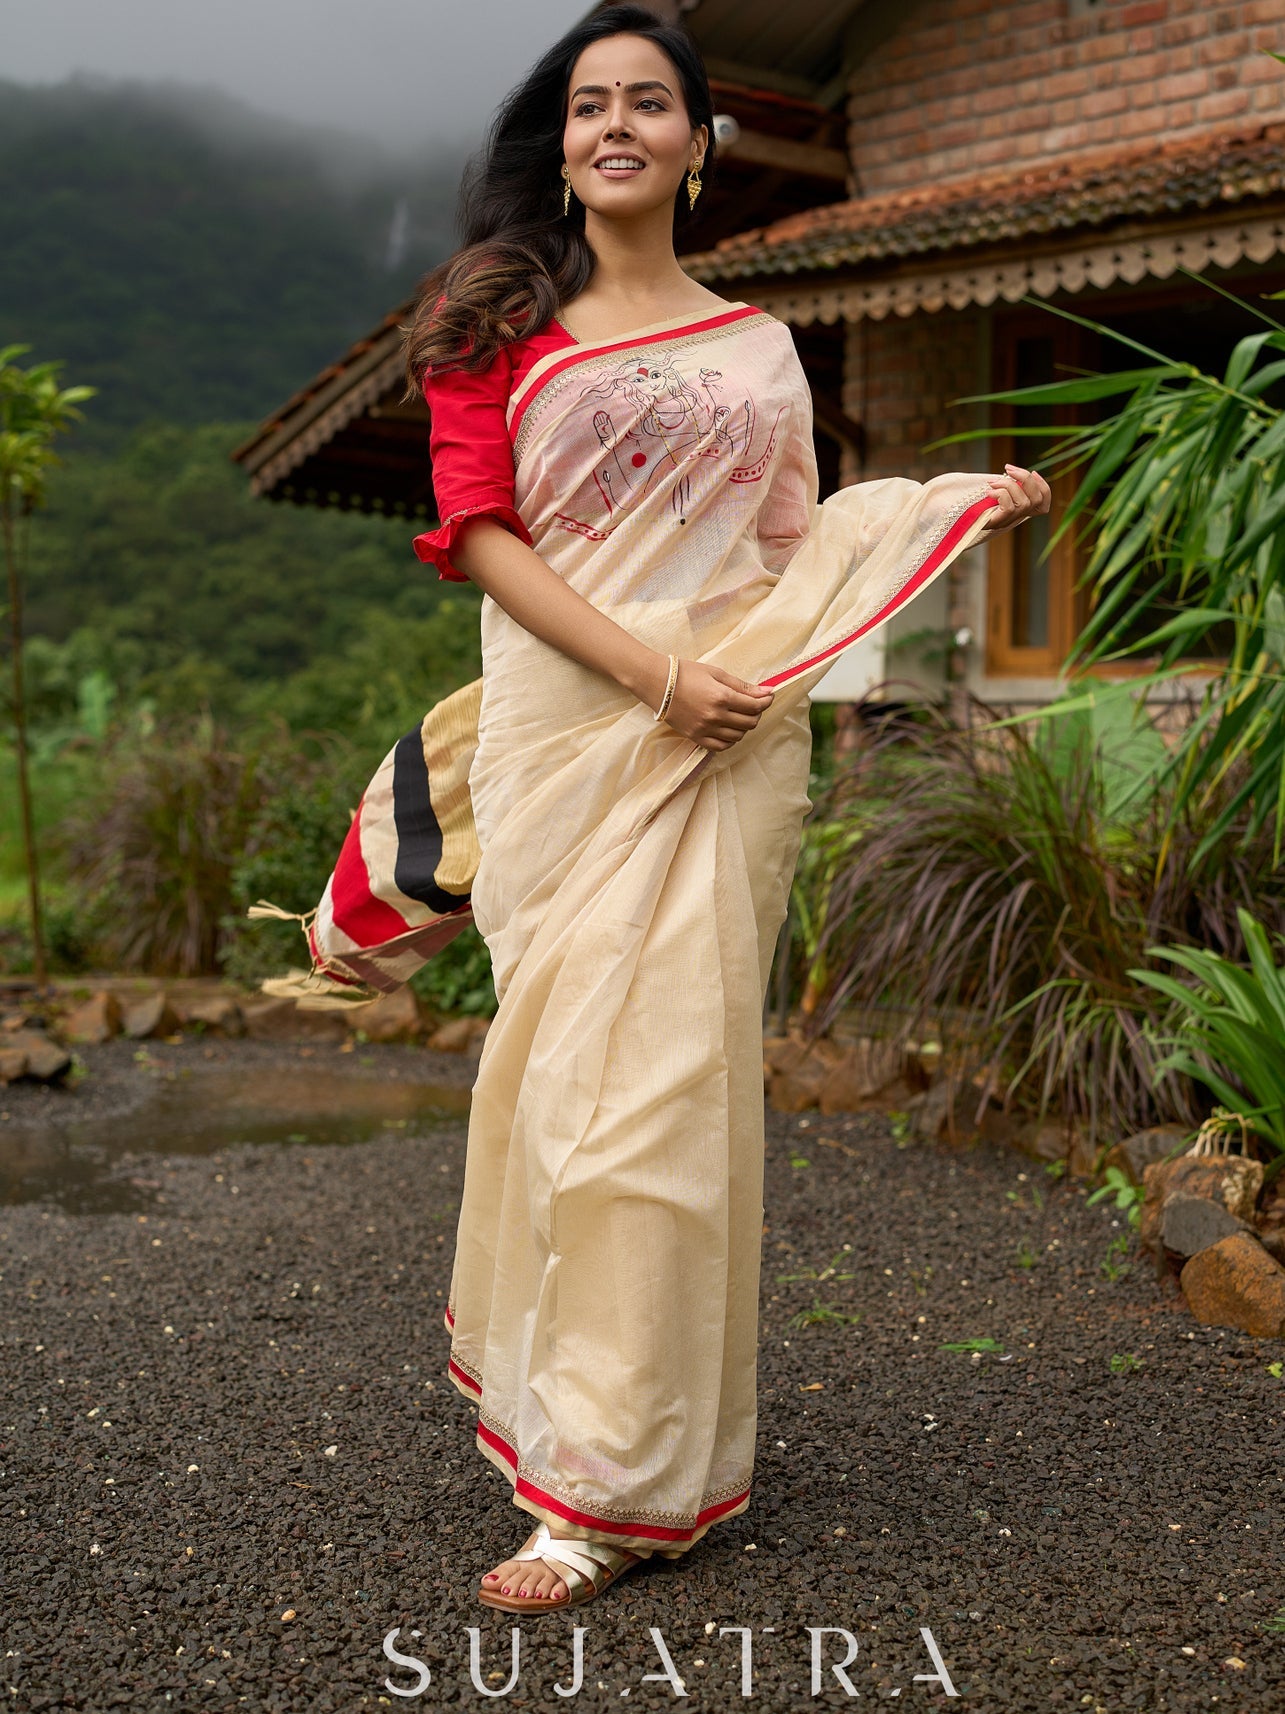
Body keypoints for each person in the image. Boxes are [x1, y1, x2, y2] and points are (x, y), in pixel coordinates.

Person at [402, 3, 1049, 1615]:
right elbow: (481, 535)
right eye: (584, 105)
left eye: (646, 103)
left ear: (702, 142)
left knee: (673, 1106)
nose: (611, 124)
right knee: (574, 1103)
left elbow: (786, 552)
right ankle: (572, 1433)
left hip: (728, 751)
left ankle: (620, 1482)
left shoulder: (756, 344)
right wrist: (653, 680)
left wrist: (933, 506)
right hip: (585, 740)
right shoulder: (493, 316)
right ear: (556, 143)